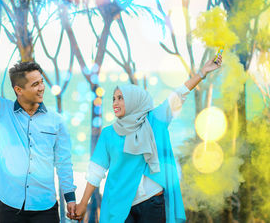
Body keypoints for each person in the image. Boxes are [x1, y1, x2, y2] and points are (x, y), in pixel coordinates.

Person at [72, 55, 223, 223]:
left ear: (133, 99)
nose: (115, 102)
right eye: (114, 98)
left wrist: (202, 72)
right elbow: (95, 171)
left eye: (121, 98)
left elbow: (178, 95)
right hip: (120, 204)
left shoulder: (155, 120)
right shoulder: (109, 134)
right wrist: (83, 203)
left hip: (152, 202)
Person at [0, 27, 76, 223]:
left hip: (44, 207)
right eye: (35, 84)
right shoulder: (1, 110)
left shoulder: (56, 122)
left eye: (41, 82)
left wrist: (70, 197)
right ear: (19, 90)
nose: (42, 87)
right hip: (9, 204)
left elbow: (63, 162)